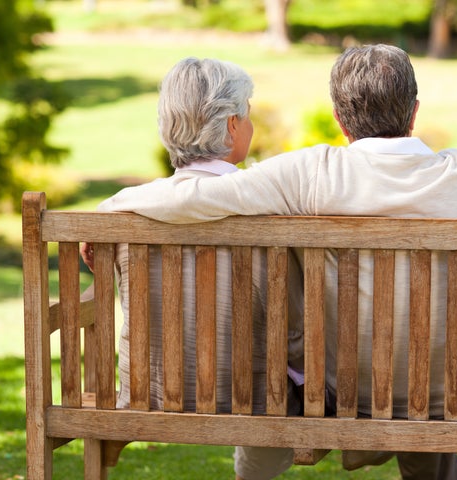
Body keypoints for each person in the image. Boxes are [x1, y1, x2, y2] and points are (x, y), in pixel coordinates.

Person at [97, 44, 457, 479]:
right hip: (452, 398)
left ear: (340, 119)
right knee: (424, 381)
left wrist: (114, 207)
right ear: (413, 112)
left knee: (376, 372)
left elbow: (204, 193)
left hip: (345, 395)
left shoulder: (311, 173)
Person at [83, 57, 305, 480]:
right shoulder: (269, 203)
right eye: (250, 114)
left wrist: (102, 216)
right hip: (257, 397)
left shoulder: (129, 207)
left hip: (147, 394)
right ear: (233, 126)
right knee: (278, 375)